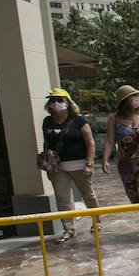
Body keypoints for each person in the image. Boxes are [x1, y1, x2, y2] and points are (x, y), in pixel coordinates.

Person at [40, 88, 100, 244]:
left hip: (80, 164)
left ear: (68, 102)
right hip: (58, 167)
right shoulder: (47, 121)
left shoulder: (79, 120)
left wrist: (89, 163)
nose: (56, 104)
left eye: (60, 100)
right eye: (53, 101)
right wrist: (47, 164)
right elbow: (46, 142)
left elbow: (90, 143)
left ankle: (97, 220)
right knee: (62, 198)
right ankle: (69, 229)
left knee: (88, 194)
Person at [103, 85, 139, 242]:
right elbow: (109, 141)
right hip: (125, 163)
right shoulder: (114, 119)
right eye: (133, 97)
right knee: (133, 196)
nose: (137, 99)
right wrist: (105, 160)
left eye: (138, 96)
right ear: (124, 102)